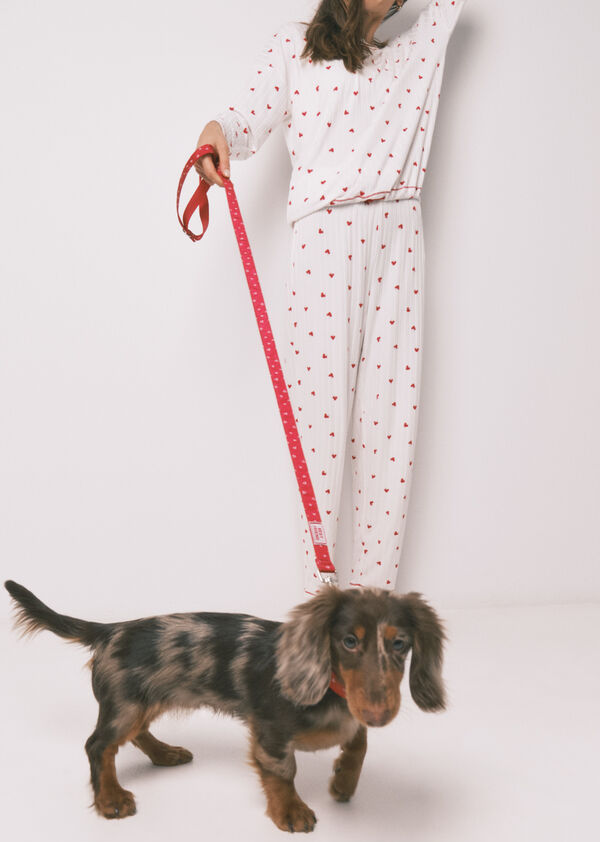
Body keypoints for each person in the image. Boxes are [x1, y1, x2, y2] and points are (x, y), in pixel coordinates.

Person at [195, 0, 467, 597]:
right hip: (324, 236)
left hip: (399, 233)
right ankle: (321, 606)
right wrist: (218, 131)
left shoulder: (415, 50)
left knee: (390, 424)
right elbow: (243, 119)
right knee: (319, 424)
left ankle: (373, 608)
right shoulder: (293, 48)